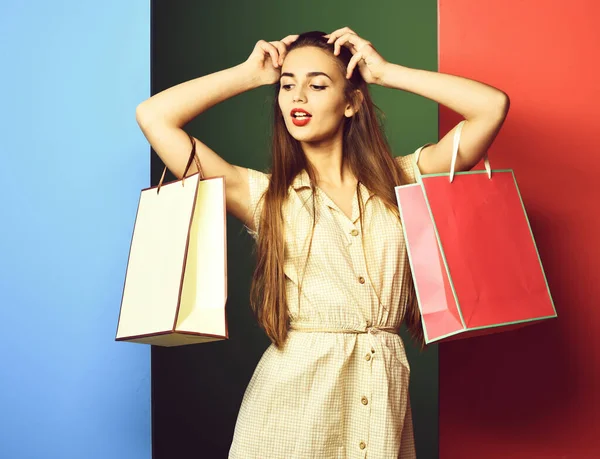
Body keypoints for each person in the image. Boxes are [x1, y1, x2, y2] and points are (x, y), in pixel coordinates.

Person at [136, 27, 509, 459]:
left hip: (382, 397)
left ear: (351, 102)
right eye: (287, 86)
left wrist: (385, 72)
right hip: (289, 411)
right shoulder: (264, 196)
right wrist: (248, 75)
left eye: (316, 85)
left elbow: (491, 108)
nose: (298, 97)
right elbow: (154, 116)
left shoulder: (404, 181)